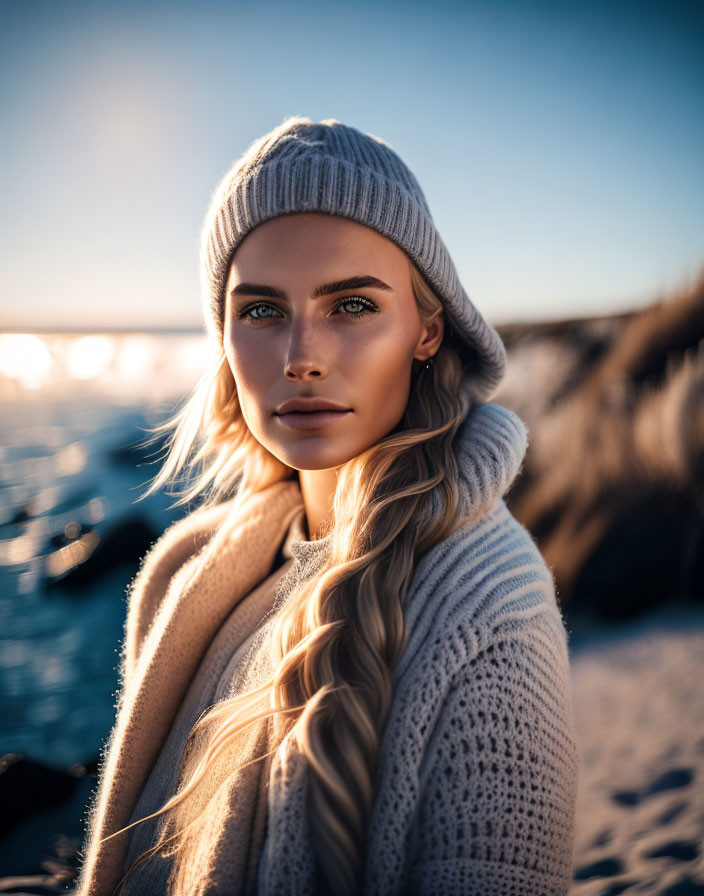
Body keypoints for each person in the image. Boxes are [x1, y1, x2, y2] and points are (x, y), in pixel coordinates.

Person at [73, 115, 579, 896]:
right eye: (262, 310)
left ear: (427, 330)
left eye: (351, 306)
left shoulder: (491, 620)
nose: (301, 357)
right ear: (225, 336)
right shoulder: (183, 573)